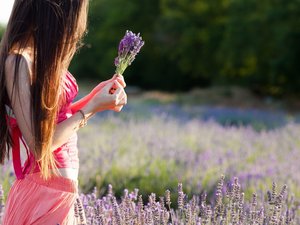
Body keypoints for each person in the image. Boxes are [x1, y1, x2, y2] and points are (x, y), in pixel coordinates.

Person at [0, 0, 127, 224]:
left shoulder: (43, 57)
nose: (74, 28)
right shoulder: (18, 61)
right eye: (71, 17)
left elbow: (58, 119)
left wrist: (97, 98)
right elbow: (41, 146)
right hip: (43, 196)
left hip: (65, 195)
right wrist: (91, 108)